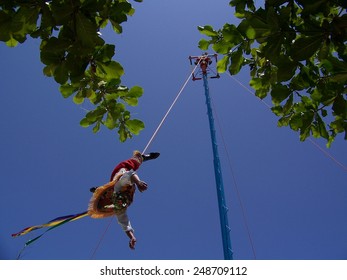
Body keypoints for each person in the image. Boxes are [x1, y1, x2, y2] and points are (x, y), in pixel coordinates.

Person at [91, 150, 159, 250]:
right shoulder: (119, 208)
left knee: (134, 162)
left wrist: (139, 182)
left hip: (121, 171)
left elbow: (130, 173)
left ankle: (144, 157)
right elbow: (125, 224)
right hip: (121, 183)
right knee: (132, 167)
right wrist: (132, 237)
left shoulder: (118, 187)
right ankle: (100, 189)